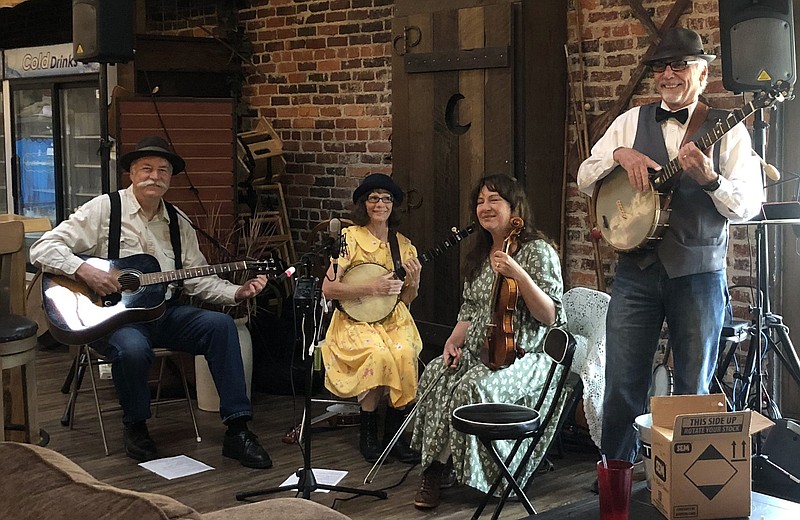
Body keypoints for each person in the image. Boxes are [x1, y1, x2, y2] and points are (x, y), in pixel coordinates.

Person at [577, 27, 764, 464]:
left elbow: (748, 206)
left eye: (679, 65)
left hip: (697, 275)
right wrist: (619, 156)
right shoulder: (629, 123)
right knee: (623, 383)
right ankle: (616, 478)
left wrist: (711, 180)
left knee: (693, 388)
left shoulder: (727, 130)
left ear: (702, 73)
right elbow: (586, 175)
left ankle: (682, 483)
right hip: (635, 275)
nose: (668, 74)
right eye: (660, 67)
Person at [31, 136, 273, 468]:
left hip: (166, 312)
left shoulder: (178, 220)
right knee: (132, 348)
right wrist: (85, 270)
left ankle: (238, 429)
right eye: (146, 168)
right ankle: (136, 425)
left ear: (170, 179)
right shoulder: (105, 208)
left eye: (163, 170)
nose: (154, 176)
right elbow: (42, 248)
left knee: (220, 325)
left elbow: (195, 276)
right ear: (131, 173)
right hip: (111, 317)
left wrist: (236, 293)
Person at [409, 174, 566, 509]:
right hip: (482, 348)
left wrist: (518, 273)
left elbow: (550, 315)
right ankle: (436, 468)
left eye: (494, 199)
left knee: (470, 389)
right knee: (436, 372)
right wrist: (453, 340)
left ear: (514, 207)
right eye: (480, 201)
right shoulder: (481, 254)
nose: (485, 207)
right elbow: (470, 308)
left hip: (526, 355)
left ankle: (468, 473)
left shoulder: (537, 251)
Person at [320, 173, 423, 464]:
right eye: (373, 198)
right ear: (364, 204)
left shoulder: (402, 245)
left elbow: (406, 299)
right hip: (354, 320)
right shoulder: (349, 239)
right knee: (377, 355)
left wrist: (413, 281)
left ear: (394, 205)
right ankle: (367, 433)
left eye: (386, 198)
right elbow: (328, 289)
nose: (380, 204)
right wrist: (371, 287)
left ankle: (394, 436)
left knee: (403, 353)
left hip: (393, 319)